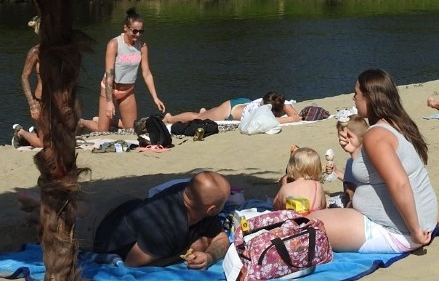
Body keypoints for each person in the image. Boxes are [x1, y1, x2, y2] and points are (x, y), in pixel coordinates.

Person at [307, 69, 439, 253]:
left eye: (356, 93)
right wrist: (355, 152)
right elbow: (378, 172)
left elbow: (399, 183)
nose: (353, 98)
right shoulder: (399, 123)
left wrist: (415, 230)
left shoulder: (375, 135)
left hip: (399, 233)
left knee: (310, 225)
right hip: (419, 224)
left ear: (369, 97)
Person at [18, 171, 231, 268]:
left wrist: (209, 256)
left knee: (83, 210)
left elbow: (221, 238)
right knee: (62, 224)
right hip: (100, 231)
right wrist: (182, 252)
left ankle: (37, 201)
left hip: (123, 206)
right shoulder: (168, 227)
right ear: (212, 209)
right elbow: (133, 261)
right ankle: (39, 211)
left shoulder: (186, 193)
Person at [79, 8, 164, 133]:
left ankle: (107, 120)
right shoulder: (114, 44)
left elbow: (146, 73)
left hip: (127, 91)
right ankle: (82, 122)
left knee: (131, 130)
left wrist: (155, 98)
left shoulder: (142, 46)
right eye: (134, 31)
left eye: (141, 31)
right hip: (110, 89)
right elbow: (109, 74)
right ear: (126, 28)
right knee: (103, 131)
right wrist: (109, 102)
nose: (138, 34)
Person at [164, 91, 300, 124]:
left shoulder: (277, 100)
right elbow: (271, 121)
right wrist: (290, 120)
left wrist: (293, 115)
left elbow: (291, 110)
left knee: (205, 114)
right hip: (230, 110)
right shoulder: (260, 112)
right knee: (197, 118)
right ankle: (170, 118)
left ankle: (206, 112)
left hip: (245, 103)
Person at [15, 16, 44, 148]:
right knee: (44, 144)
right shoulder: (36, 51)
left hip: (56, 101)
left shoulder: (60, 51)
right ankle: (21, 133)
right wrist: (32, 104)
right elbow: (24, 77)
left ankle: (36, 132)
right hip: (40, 101)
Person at [273, 147, 327, 212]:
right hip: (313, 219)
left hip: (293, 219)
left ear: (291, 168)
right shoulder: (317, 186)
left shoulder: (285, 188)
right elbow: (323, 205)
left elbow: (275, 207)